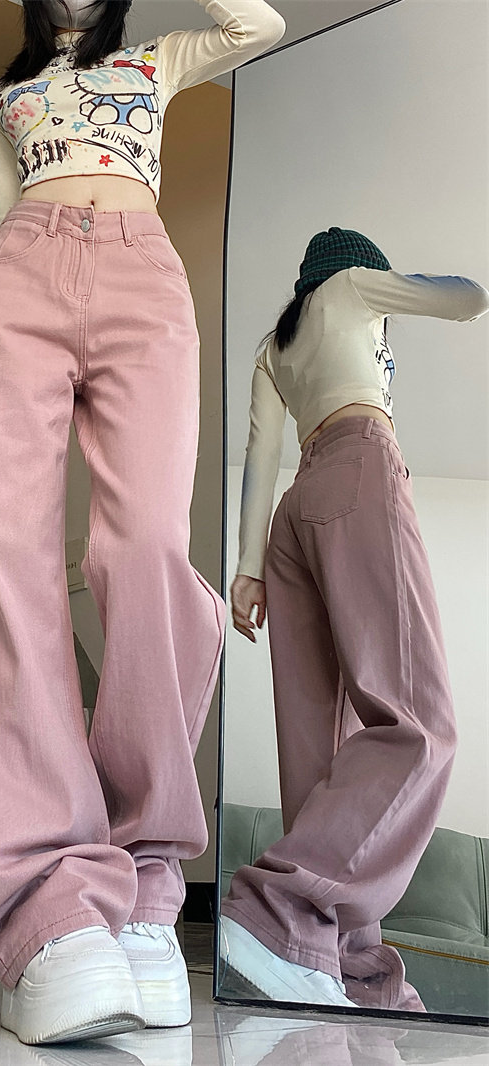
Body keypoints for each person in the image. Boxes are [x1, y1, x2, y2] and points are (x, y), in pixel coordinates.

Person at [0, 0, 285, 1046]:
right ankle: (46, 908)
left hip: (141, 272)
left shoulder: (155, 60)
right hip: (18, 277)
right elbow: (2, 215)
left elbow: (257, 23)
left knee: (145, 554)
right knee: (5, 558)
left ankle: (140, 881)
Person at [222, 227, 489, 1011]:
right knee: (419, 723)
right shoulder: (352, 289)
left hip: (293, 514)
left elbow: (261, 455)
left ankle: (336, 965)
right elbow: (468, 298)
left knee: (318, 761)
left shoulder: (276, 347)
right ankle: (282, 915)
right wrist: (399, 286)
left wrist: (247, 569)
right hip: (361, 469)